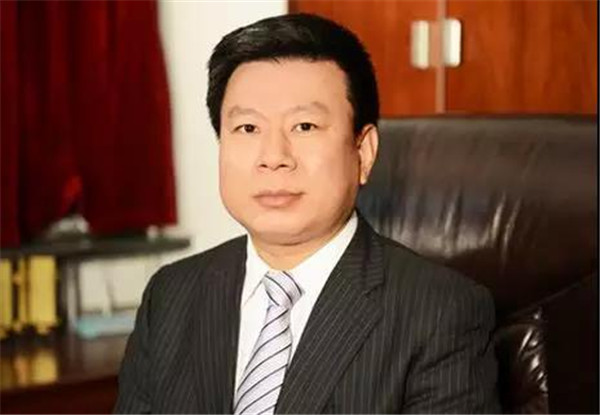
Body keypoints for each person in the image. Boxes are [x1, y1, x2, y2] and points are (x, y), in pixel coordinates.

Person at [114, 13, 499, 414]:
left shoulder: (440, 312)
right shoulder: (171, 295)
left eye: (305, 126)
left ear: (363, 152)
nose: (273, 157)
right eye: (248, 128)